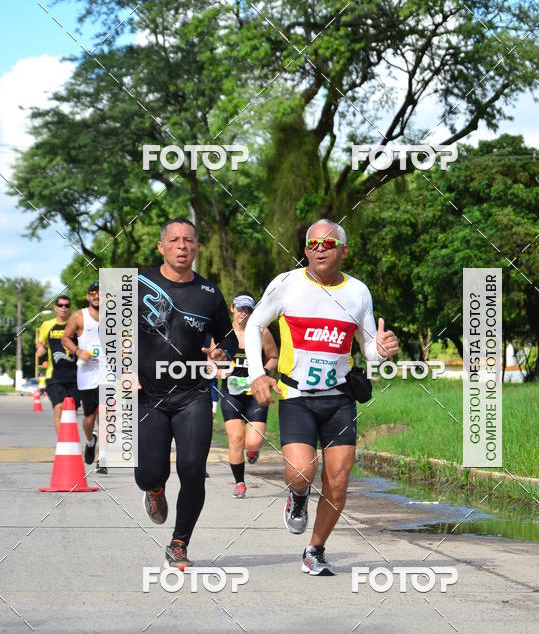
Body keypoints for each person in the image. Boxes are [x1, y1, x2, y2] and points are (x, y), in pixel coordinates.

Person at [246, 219, 399, 576]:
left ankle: (315, 549)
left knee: (339, 481)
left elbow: (369, 349)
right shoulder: (286, 284)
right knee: (301, 473)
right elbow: (254, 325)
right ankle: (298, 498)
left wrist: (382, 349)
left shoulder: (358, 292)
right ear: (305, 251)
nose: (319, 248)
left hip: (339, 398)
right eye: (313, 243)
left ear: (343, 251)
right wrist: (257, 374)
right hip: (297, 395)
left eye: (328, 243)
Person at [135, 217, 237, 568]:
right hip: (148, 395)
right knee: (149, 472)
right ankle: (155, 490)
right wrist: (124, 372)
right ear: (161, 247)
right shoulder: (137, 285)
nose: (182, 246)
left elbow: (229, 338)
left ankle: (179, 542)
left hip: (192, 393)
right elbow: (114, 335)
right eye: (175, 240)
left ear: (196, 247)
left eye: (189, 240)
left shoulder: (209, 294)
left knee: (193, 469)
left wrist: (222, 352)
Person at [219, 292, 278, 498]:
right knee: (236, 438)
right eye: (240, 308)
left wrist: (263, 373)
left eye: (248, 309)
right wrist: (218, 370)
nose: (243, 313)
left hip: (256, 392)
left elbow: (273, 357)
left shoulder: (261, 332)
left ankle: (253, 450)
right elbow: (210, 361)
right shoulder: (223, 334)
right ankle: (240, 483)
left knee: (252, 441)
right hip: (231, 393)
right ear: (232, 308)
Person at [61, 282, 105, 472]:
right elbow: (65, 338)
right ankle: (90, 441)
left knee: (105, 414)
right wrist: (78, 351)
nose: (96, 296)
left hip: (108, 371)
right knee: (89, 417)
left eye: (100, 293)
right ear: (88, 296)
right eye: (92, 293)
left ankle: (103, 459)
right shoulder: (79, 316)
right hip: (87, 373)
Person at [36, 295, 79, 434]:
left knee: (72, 411)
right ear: (55, 307)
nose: (63, 308)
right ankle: (62, 443)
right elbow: (40, 343)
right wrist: (40, 348)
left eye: (66, 305)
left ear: (69, 307)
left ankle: (70, 442)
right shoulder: (47, 325)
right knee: (58, 408)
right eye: (60, 305)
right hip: (54, 375)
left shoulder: (75, 324)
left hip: (75, 376)